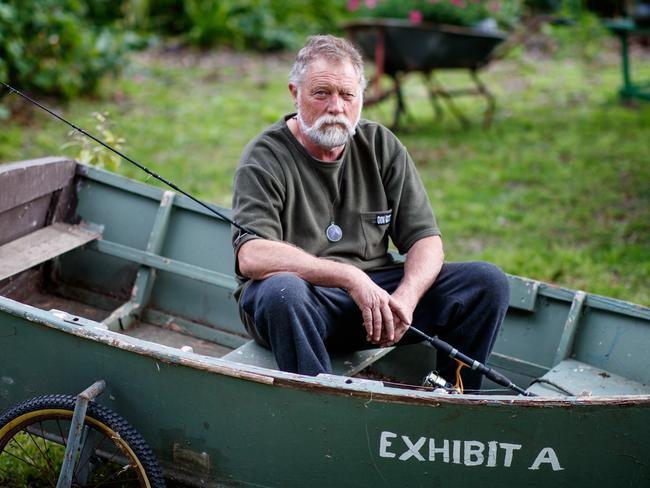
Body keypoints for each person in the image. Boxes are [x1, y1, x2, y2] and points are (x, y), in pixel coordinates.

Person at [231, 34, 509, 392]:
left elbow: (426, 240)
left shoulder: (380, 144)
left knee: (487, 283)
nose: (336, 107)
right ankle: (324, 406)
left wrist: (405, 299)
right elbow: (251, 256)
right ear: (294, 93)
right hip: (305, 306)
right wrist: (349, 277)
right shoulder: (264, 157)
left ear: (360, 97)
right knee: (281, 291)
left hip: (378, 304)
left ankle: (454, 398)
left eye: (347, 95)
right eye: (321, 93)